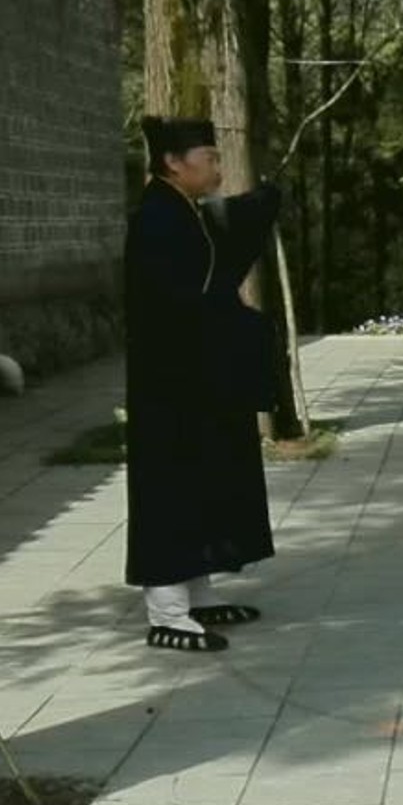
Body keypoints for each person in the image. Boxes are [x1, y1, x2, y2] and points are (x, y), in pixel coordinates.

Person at [125, 116, 281, 653]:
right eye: (208, 158)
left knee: (204, 481)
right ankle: (167, 610)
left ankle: (195, 592)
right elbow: (182, 300)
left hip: (195, 379)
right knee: (171, 488)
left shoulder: (181, 211)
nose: (217, 167)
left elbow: (220, 250)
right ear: (173, 162)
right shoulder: (155, 219)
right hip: (169, 385)